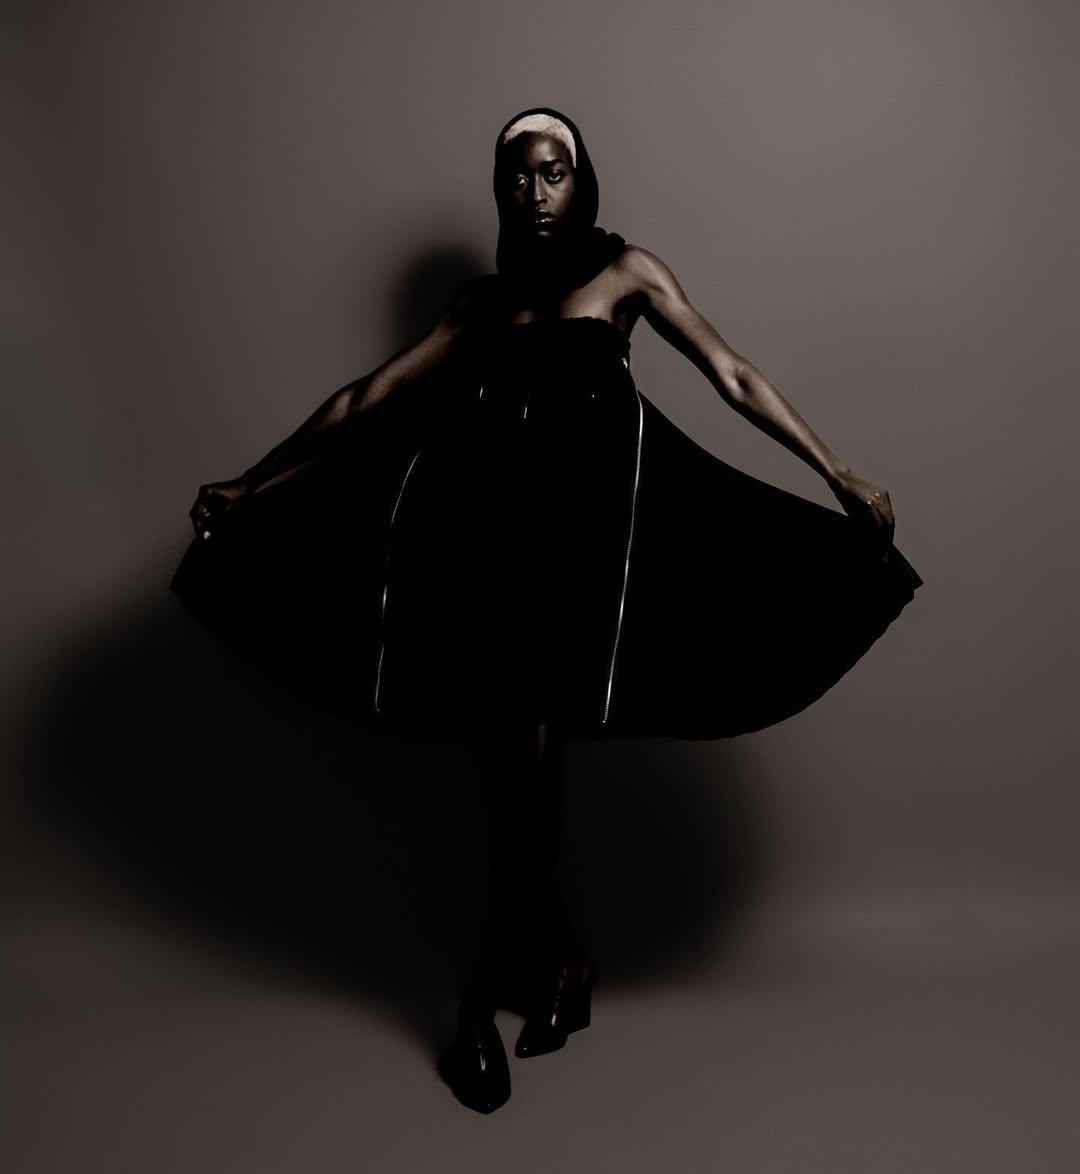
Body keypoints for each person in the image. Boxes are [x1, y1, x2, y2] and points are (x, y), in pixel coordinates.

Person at [172, 107, 923, 1114]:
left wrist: (838, 470)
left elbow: (733, 375)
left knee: (524, 785)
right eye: (517, 176)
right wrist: (252, 482)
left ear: (582, 181)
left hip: (586, 575)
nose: (534, 190)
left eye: (553, 171)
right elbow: (365, 399)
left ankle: (474, 1013)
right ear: (502, 191)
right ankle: (561, 962)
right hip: (483, 567)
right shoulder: (479, 306)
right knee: (515, 792)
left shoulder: (626, 275)